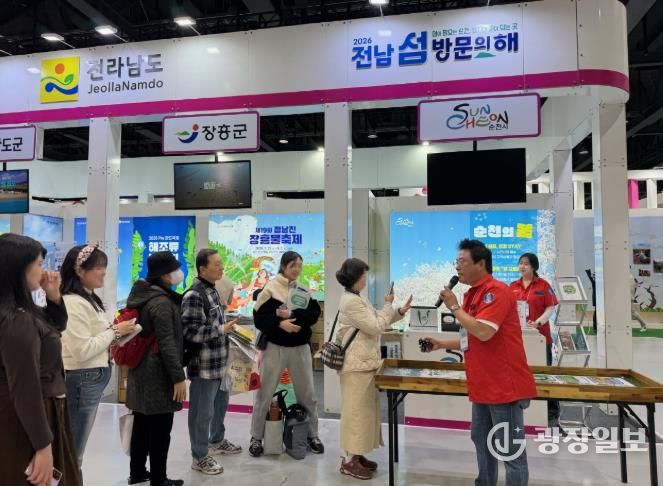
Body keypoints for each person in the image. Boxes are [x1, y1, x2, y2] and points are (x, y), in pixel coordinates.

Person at [424, 239, 536, 486]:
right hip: (482, 385)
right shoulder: (471, 294)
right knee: (481, 440)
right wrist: (442, 344)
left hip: (504, 387)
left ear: (481, 263)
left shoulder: (497, 291)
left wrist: (453, 306)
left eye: (462, 262)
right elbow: (471, 337)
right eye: (456, 262)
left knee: (509, 449)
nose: (457, 267)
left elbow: (485, 332)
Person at [0, 233, 81, 486]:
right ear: (18, 269)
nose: (43, 271)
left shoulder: (20, 312)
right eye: (38, 264)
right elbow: (25, 388)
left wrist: (53, 296)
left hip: (29, 415)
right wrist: (43, 446)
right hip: (27, 420)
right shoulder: (17, 321)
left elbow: (54, 325)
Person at [60, 245, 136, 479]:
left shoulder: (89, 299)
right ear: (79, 270)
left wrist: (117, 334)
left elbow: (96, 340)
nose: (103, 273)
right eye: (98, 268)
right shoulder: (73, 302)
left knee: (75, 448)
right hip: (82, 378)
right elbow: (82, 350)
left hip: (89, 378)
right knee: (73, 450)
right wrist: (115, 331)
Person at [335, 258, 412, 480]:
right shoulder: (351, 301)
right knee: (355, 414)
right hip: (356, 366)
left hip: (364, 364)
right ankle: (348, 461)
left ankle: (356, 454)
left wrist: (398, 310)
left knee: (364, 414)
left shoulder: (358, 298)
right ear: (355, 277)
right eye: (363, 275)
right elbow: (376, 326)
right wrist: (389, 305)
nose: (365, 279)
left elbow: (376, 318)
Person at [249, 251, 323, 458]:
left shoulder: (303, 290)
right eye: (293, 266)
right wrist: (279, 324)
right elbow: (259, 318)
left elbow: (313, 315)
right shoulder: (270, 289)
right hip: (275, 348)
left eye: (299, 265)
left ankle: (312, 435)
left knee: (307, 394)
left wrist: (292, 314)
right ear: (283, 266)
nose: (297, 269)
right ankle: (256, 437)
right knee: (264, 394)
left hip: (300, 348)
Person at [125, 252, 187, 486]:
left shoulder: (142, 296)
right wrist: (178, 377)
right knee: (161, 430)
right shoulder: (161, 303)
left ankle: (137, 472)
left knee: (141, 424)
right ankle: (159, 479)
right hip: (157, 375)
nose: (179, 273)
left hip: (140, 371)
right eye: (174, 269)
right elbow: (167, 343)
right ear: (164, 275)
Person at [182, 249, 242, 476]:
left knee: (219, 406)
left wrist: (226, 330)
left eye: (221, 263)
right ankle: (199, 456)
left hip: (219, 364)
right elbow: (190, 332)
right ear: (202, 268)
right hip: (204, 367)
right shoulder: (194, 295)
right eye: (216, 264)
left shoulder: (212, 290)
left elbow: (214, 324)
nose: (222, 267)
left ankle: (216, 441)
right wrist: (221, 329)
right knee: (201, 413)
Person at [509, 253, 559, 422]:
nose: (522, 266)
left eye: (526, 264)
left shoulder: (543, 285)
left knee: (544, 374)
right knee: (521, 373)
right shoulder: (512, 286)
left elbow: (550, 308)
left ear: (534, 267)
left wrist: (538, 322)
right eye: (520, 263)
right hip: (518, 338)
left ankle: (551, 410)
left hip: (540, 337)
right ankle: (527, 408)